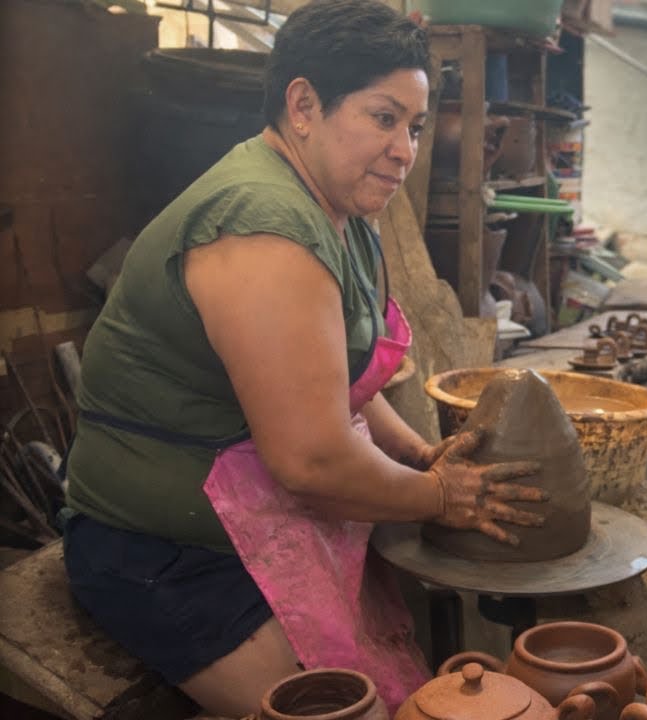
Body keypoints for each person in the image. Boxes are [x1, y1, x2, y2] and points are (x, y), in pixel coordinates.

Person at [61, 1, 546, 716]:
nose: (406, 150)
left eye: (413, 127)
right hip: (164, 555)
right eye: (383, 118)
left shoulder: (337, 210)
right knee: (355, 711)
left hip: (256, 524)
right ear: (304, 105)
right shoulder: (264, 227)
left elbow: (342, 376)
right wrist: (444, 497)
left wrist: (418, 458)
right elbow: (312, 463)